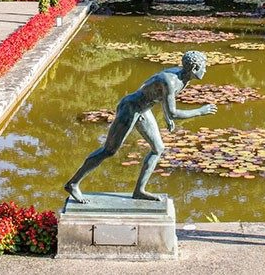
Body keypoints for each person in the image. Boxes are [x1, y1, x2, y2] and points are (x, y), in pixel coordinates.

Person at [65, 50, 216, 203]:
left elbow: (162, 98)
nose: (206, 70)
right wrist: (200, 111)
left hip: (144, 109)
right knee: (109, 150)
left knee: (158, 149)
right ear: (195, 68)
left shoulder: (182, 77)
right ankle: (73, 183)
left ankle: (139, 191)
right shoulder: (171, 80)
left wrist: (167, 117)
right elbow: (173, 112)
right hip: (130, 108)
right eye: (204, 66)